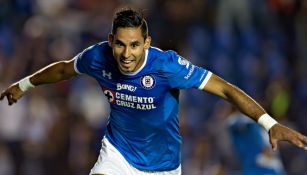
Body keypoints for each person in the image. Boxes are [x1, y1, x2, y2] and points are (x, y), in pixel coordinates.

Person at [1, 8, 307, 175]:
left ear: (146, 43)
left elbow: (225, 90)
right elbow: (64, 69)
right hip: (118, 156)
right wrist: (24, 84)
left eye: (135, 45)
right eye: (120, 44)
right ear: (111, 41)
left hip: (164, 167)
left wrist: (270, 123)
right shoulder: (97, 57)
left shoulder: (167, 66)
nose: (126, 54)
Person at [225, 106, 287, 175]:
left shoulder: (263, 132)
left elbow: (269, 155)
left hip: (266, 170)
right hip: (253, 168)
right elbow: (231, 121)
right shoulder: (243, 126)